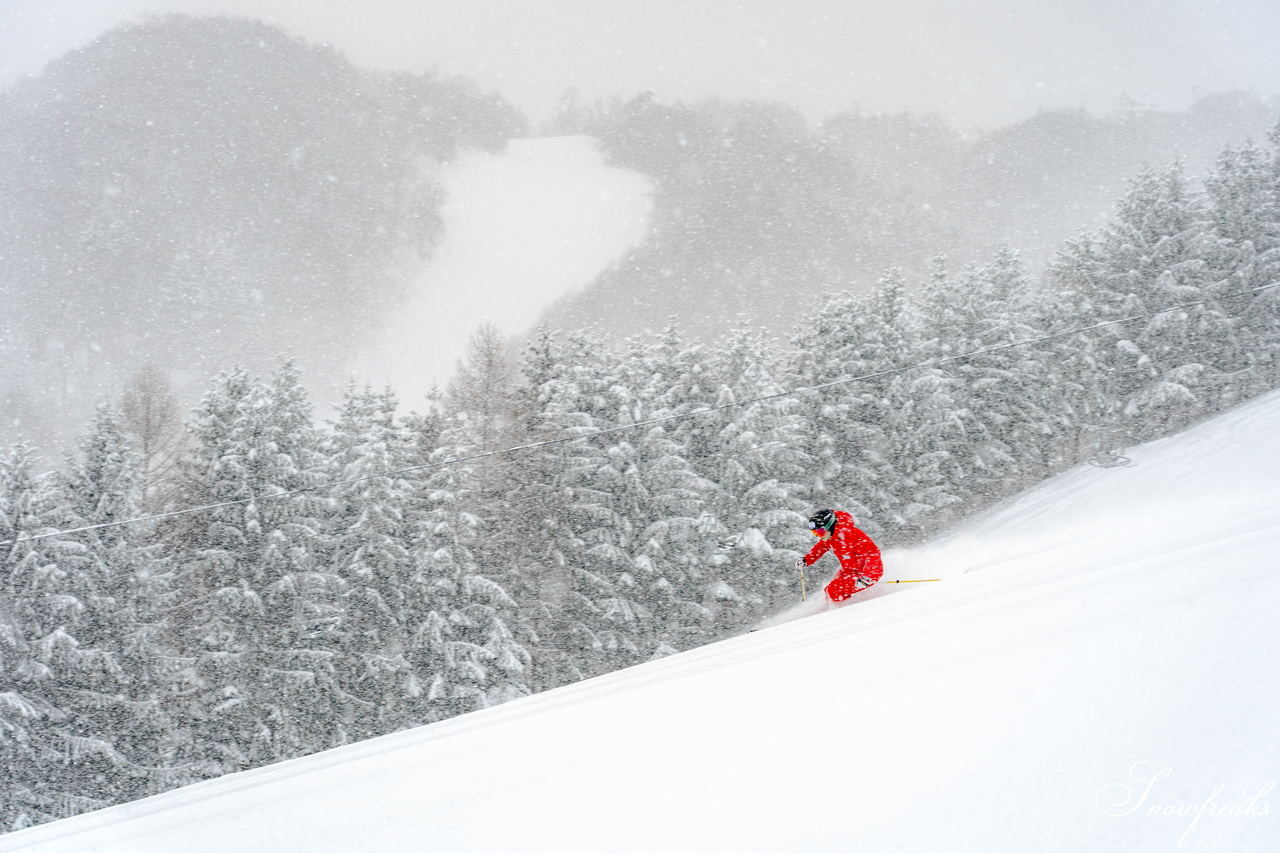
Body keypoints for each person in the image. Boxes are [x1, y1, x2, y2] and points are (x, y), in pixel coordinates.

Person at [797, 509, 883, 605]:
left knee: (834, 592)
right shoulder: (830, 536)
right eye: (815, 533)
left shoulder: (852, 535)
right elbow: (819, 548)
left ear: (829, 526)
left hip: (866, 573)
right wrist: (806, 560)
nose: (818, 536)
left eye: (820, 532)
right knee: (828, 591)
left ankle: (845, 610)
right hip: (850, 570)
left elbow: (873, 553)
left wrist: (867, 576)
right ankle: (830, 609)